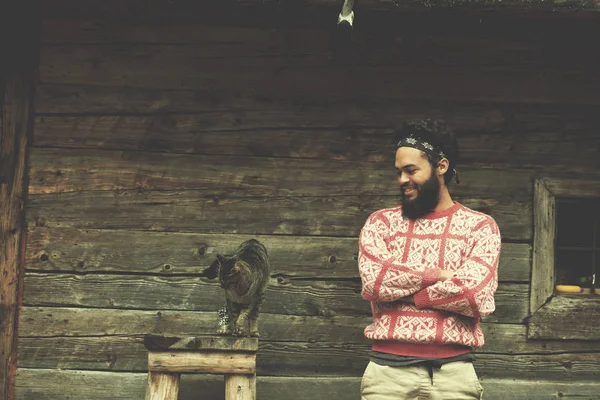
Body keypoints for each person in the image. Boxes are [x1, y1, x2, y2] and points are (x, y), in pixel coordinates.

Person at [358, 119, 501, 400]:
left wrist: (409, 295)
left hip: (453, 376)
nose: (402, 180)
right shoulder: (381, 223)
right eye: (398, 172)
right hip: (387, 377)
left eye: (411, 170)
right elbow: (375, 282)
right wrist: (438, 276)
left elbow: (474, 295)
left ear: (441, 167)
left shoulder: (480, 227)